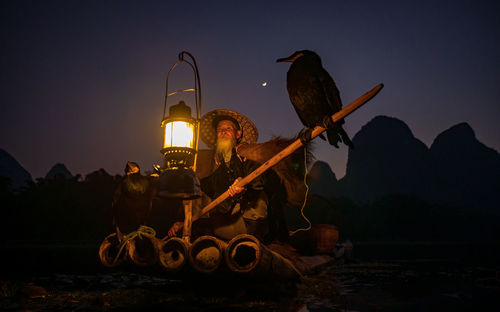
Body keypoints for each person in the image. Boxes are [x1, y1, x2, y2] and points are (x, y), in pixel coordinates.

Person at [168, 109, 271, 241]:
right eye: (219, 129)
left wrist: (244, 183)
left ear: (238, 134)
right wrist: (182, 222)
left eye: (228, 128)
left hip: (248, 225)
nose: (223, 131)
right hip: (224, 225)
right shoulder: (213, 163)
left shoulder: (248, 155)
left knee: (260, 198)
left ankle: (252, 243)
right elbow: (201, 191)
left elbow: (259, 180)